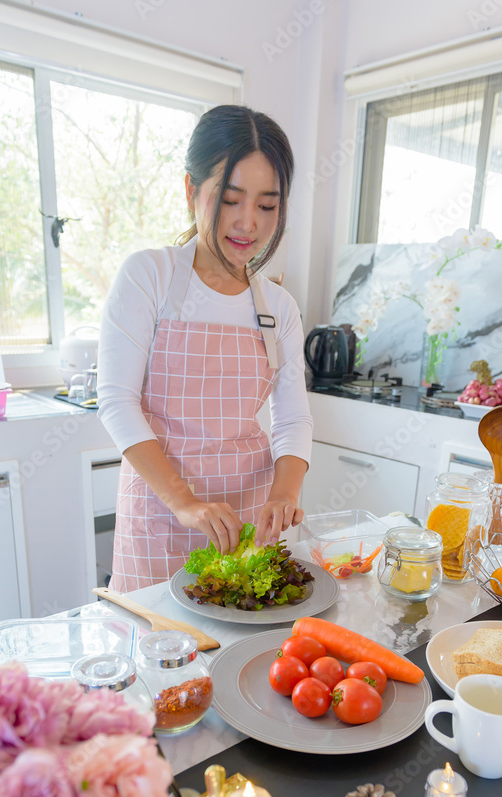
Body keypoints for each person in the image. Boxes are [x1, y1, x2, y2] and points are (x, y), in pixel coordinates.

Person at [98, 105, 313, 592]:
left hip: (249, 518)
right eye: (231, 199)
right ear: (192, 190)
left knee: (242, 659)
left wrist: (284, 492)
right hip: (161, 513)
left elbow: (293, 418)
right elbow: (116, 401)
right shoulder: (148, 276)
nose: (247, 224)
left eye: (266, 205)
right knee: (163, 657)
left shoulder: (278, 306)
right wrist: (185, 502)